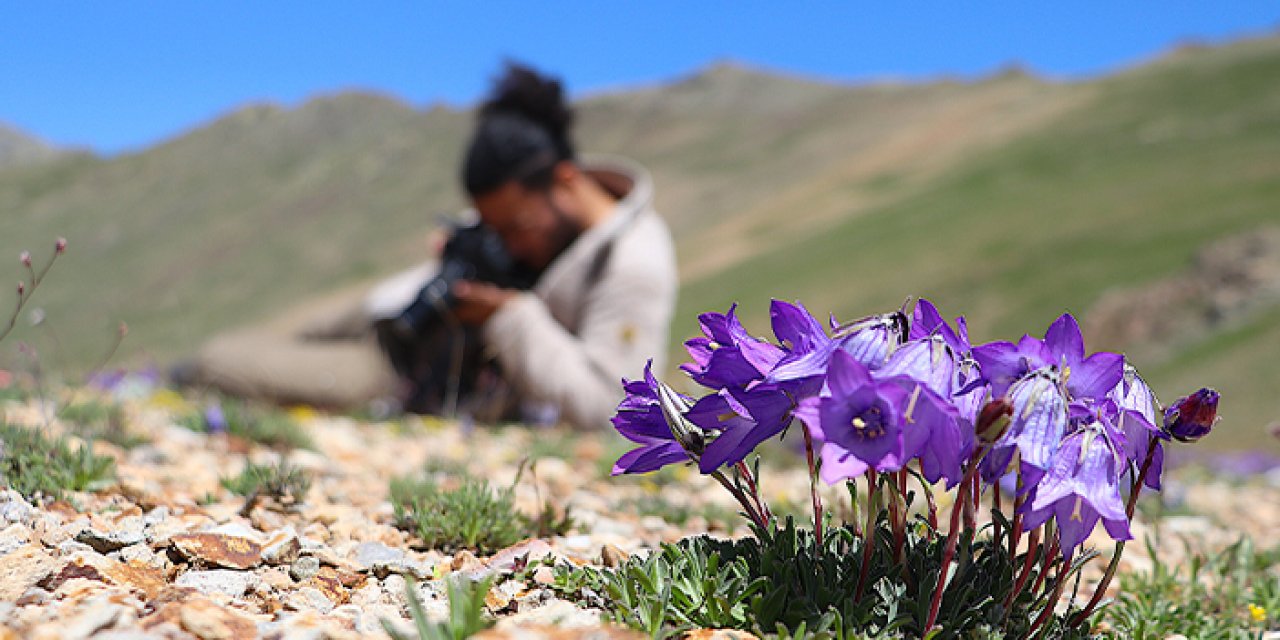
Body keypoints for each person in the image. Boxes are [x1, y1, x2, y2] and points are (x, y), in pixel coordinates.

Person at [183, 63, 678, 430]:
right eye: (491, 228)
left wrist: (508, 317)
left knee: (221, 360)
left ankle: (176, 380)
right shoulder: (537, 201)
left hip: (401, 369)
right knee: (282, 336)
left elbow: (612, 406)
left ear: (566, 180)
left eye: (512, 228)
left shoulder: (634, 265)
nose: (504, 242)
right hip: (398, 305)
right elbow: (504, 232)